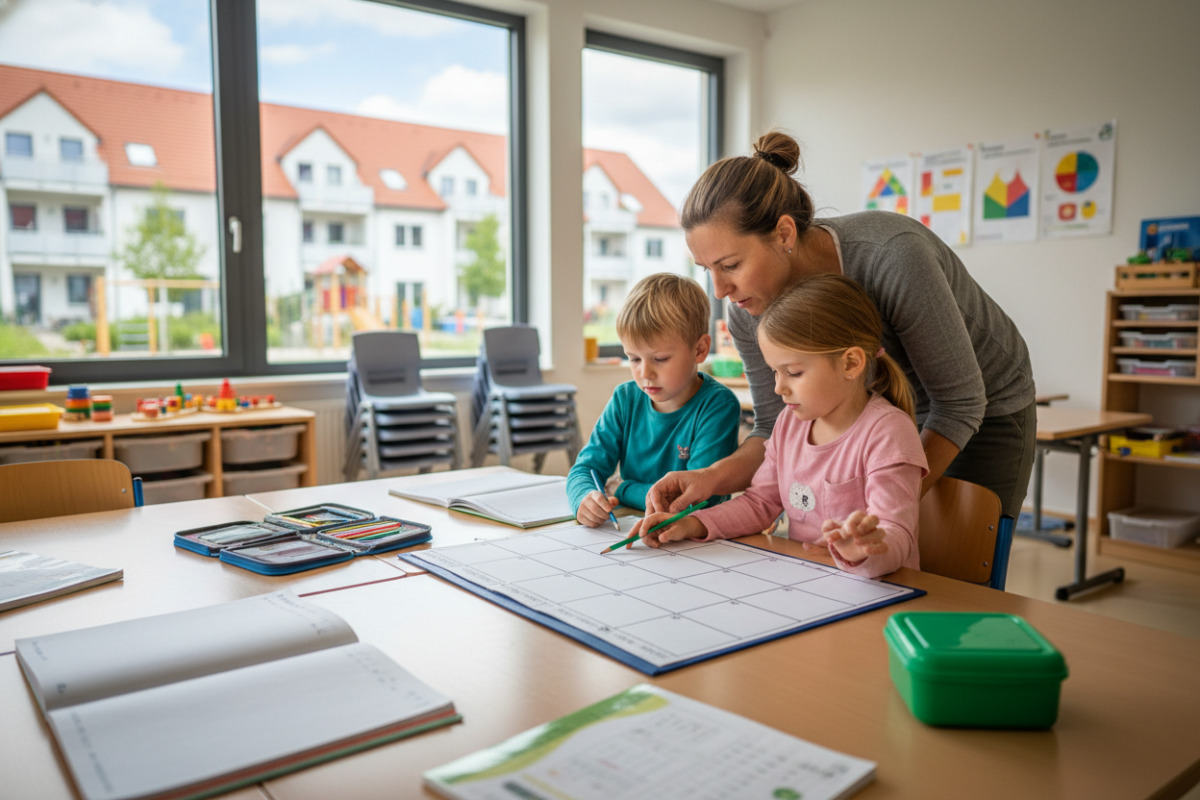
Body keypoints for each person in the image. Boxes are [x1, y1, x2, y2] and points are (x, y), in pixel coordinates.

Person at [648, 130, 1036, 521]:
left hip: (982, 408)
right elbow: (771, 426)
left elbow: (959, 403)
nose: (719, 290)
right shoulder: (746, 310)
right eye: (706, 270)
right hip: (879, 415)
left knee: (943, 565)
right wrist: (710, 478)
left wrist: (877, 516)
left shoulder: (892, 256)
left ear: (784, 233)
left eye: (731, 265)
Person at [632, 275, 927, 578]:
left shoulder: (889, 432)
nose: (778, 388)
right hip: (808, 584)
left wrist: (862, 552)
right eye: (775, 372)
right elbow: (760, 503)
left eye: (794, 372)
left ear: (851, 364)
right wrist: (691, 523)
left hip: (882, 593)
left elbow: (896, 533)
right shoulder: (790, 424)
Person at [567, 273, 742, 527]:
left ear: (700, 349)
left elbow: (691, 501)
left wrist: (622, 488)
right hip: (634, 528)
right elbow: (585, 470)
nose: (645, 374)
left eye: (660, 359)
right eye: (634, 359)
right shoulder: (624, 399)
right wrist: (584, 498)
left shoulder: (718, 406)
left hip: (697, 540)